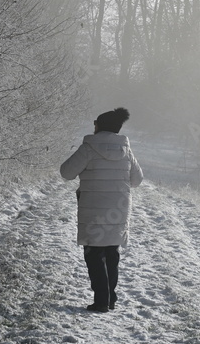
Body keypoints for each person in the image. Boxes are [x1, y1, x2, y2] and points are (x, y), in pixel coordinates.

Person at [60, 107, 143, 313]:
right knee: (111, 253)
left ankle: (101, 301)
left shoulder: (89, 147)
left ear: (99, 126)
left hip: (93, 210)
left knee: (94, 254)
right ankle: (110, 298)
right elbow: (137, 180)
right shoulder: (126, 150)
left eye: (95, 122)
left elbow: (67, 172)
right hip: (118, 209)